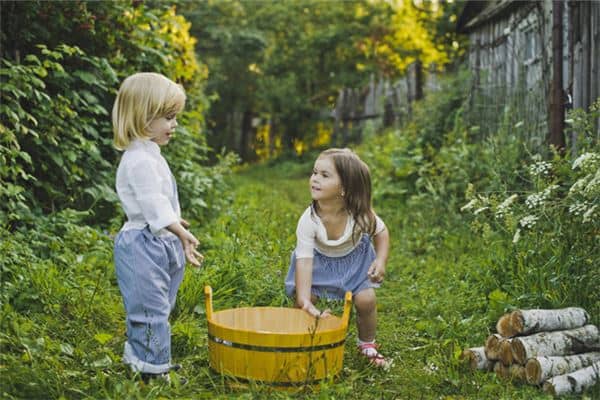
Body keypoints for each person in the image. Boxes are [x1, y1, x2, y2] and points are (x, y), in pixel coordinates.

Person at [112, 72, 203, 383]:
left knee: (160, 304)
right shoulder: (137, 159)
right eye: (167, 117)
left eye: (174, 116)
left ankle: (144, 355)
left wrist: (175, 224)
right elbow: (151, 203)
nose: (173, 124)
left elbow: (159, 197)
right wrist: (177, 229)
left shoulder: (151, 154)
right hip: (143, 244)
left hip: (160, 241)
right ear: (141, 116)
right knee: (149, 308)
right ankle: (151, 370)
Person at [284, 148, 391, 368]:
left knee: (366, 300)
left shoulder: (359, 214)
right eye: (314, 172)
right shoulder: (308, 221)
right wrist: (304, 299)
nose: (314, 179)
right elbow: (304, 261)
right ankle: (301, 341)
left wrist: (380, 261)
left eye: (324, 175)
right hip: (318, 266)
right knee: (304, 303)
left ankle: (367, 344)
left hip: (354, 264)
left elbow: (381, 232)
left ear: (344, 188)